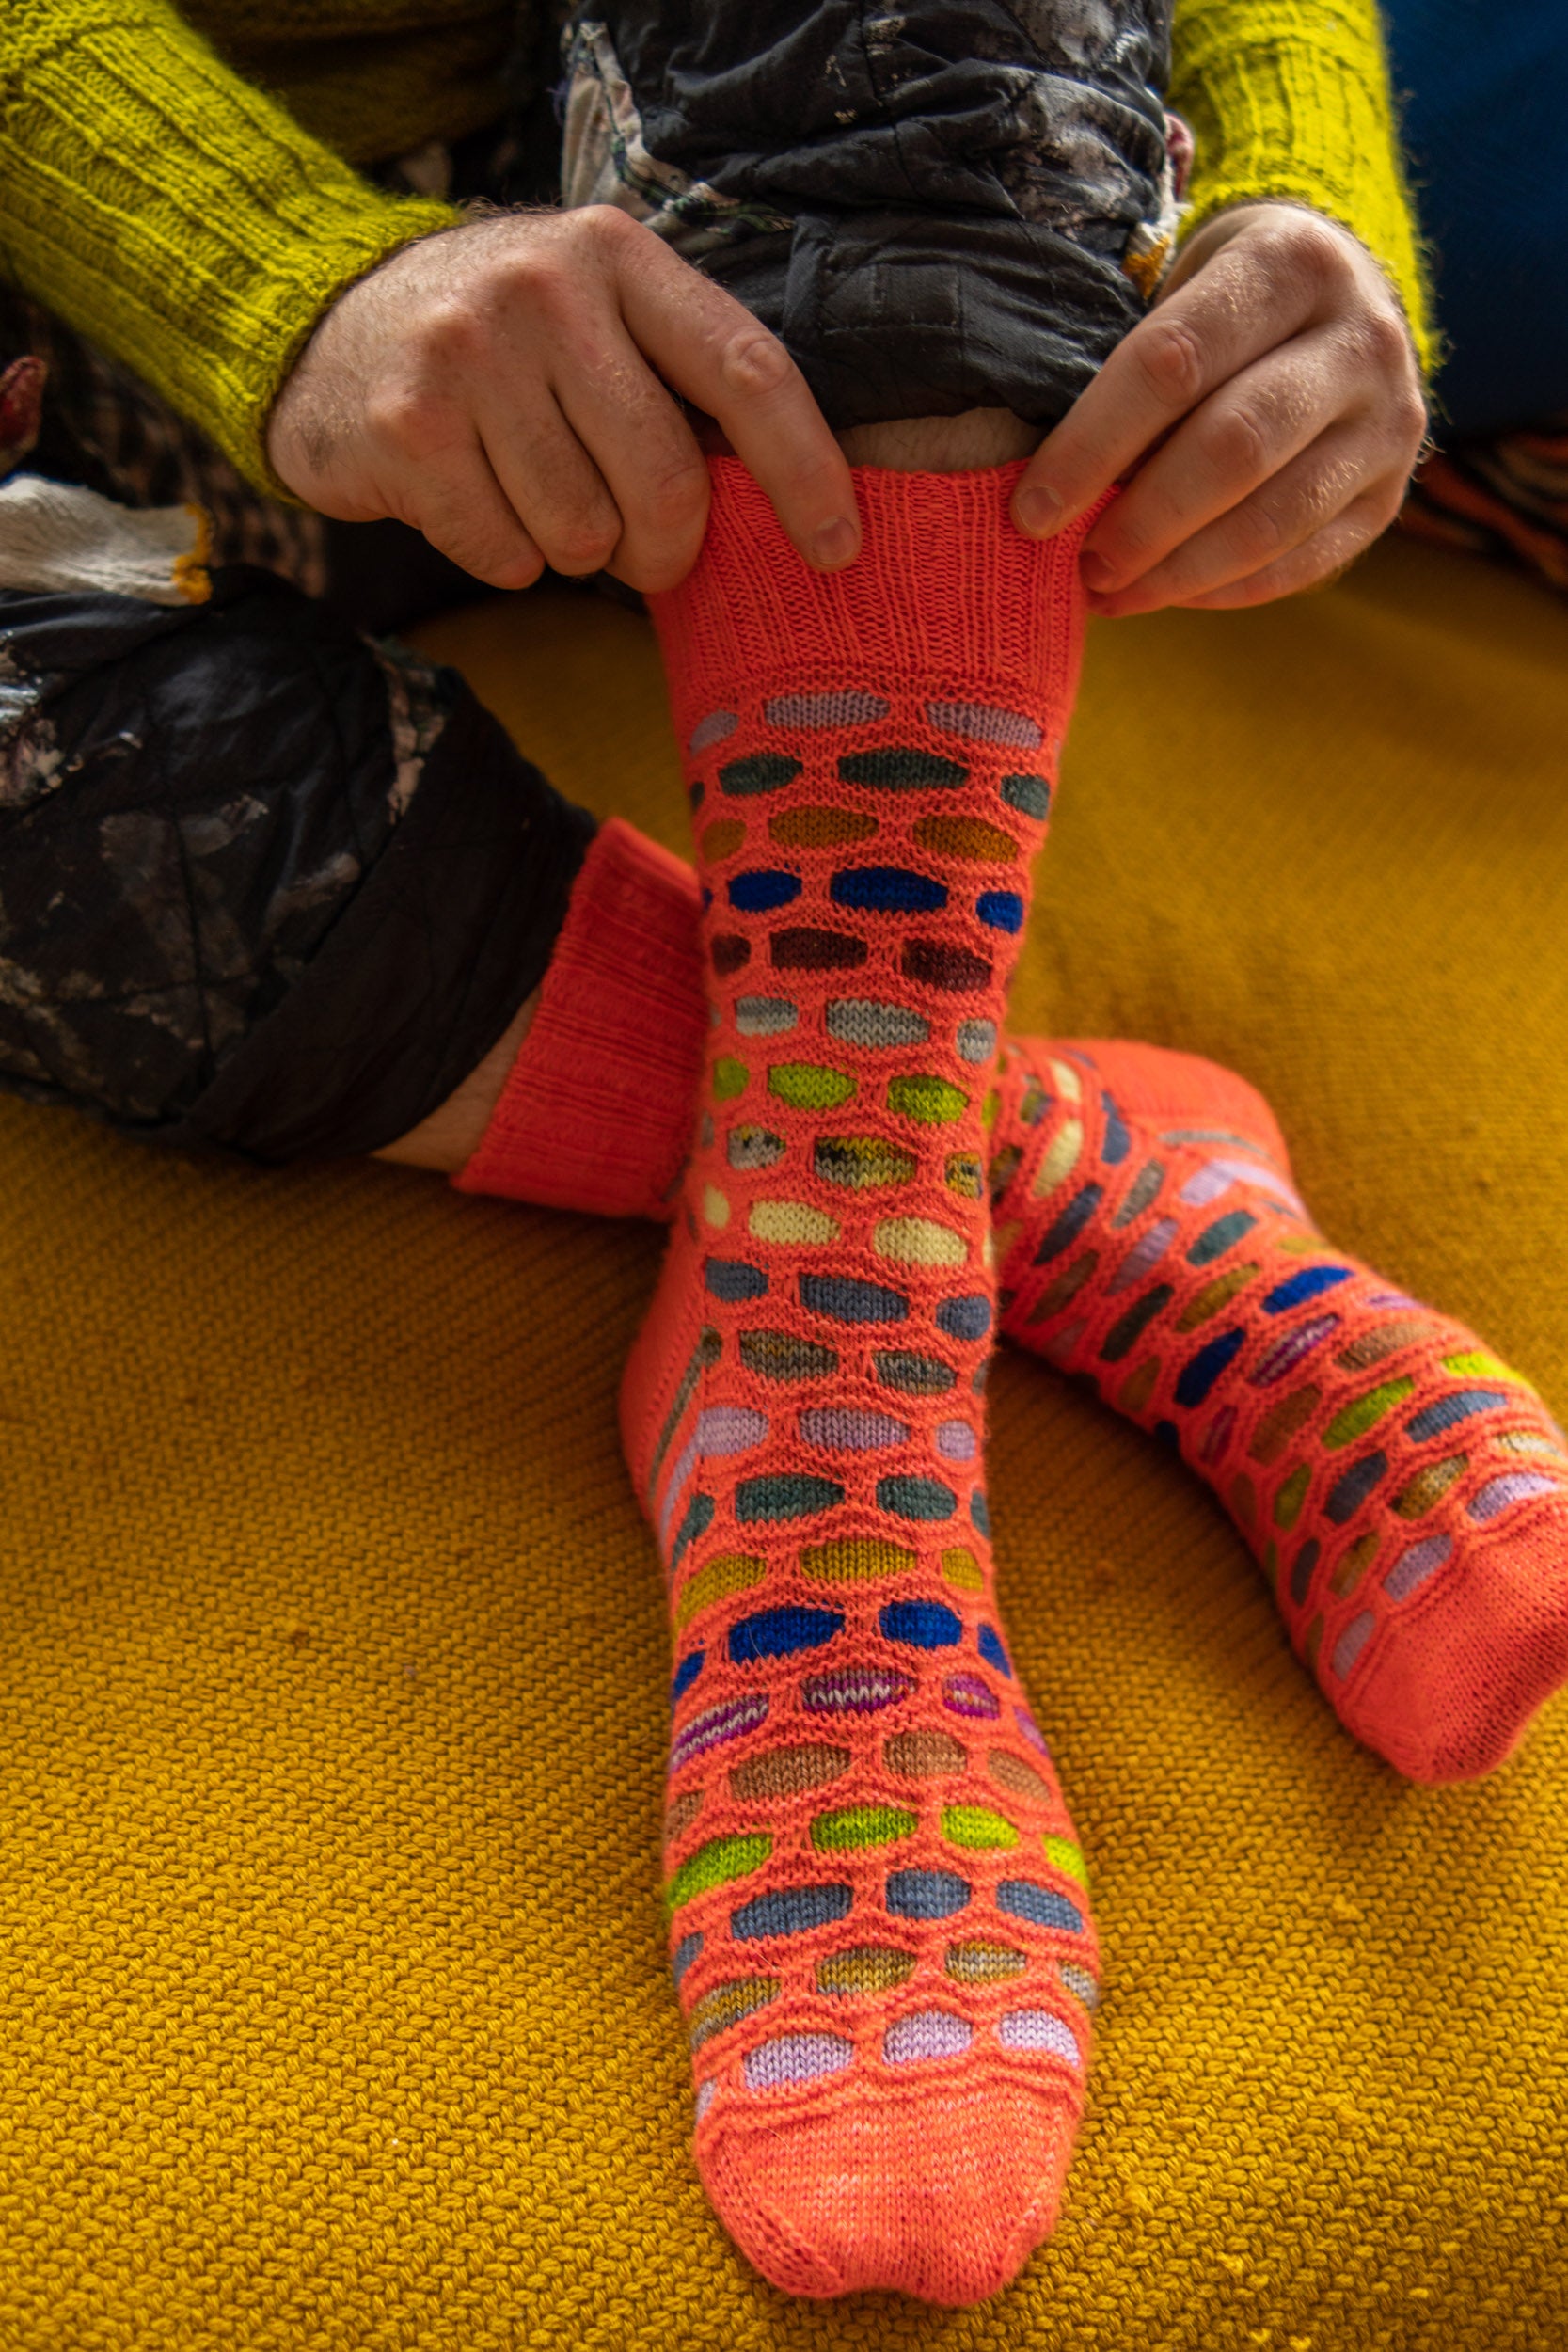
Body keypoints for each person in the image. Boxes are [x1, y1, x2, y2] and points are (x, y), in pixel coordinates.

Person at [6, 0, 1566, 2311]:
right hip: (145, 383)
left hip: (773, 256)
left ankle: (831, 1443)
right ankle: (1042, 1189)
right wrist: (272, 274)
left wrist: (1295, 178)